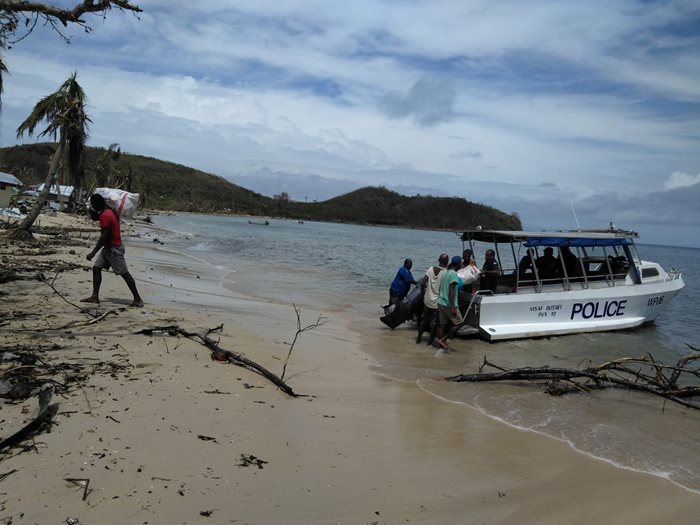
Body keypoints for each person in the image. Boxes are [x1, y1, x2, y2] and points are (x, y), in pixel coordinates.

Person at [81, 193, 144, 307]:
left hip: (114, 249)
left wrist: (93, 252)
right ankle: (95, 297)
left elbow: (104, 236)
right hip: (108, 248)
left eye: (94, 204)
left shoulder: (106, 215)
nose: (93, 206)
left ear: (99, 203)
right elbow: (95, 217)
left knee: (124, 274)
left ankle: (138, 299)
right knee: (96, 268)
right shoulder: (109, 211)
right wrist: (92, 209)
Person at [416, 253, 448, 345]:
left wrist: (422, 294)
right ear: (447, 262)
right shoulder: (445, 273)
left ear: (438, 260)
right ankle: (429, 343)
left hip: (427, 300)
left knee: (424, 320)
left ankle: (418, 339)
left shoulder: (430, 269)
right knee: (434, 322)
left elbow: (422, 283)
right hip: (436, 302)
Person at [436, 256, 463, 351]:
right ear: (459, 264)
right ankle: (443, 340)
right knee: (460, 323)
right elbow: (451, 290)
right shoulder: (453, 274)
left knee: (442, 324)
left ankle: (440, 346)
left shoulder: (444, 272)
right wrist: (453, 306)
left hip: (440, 301)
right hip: (448, 303)